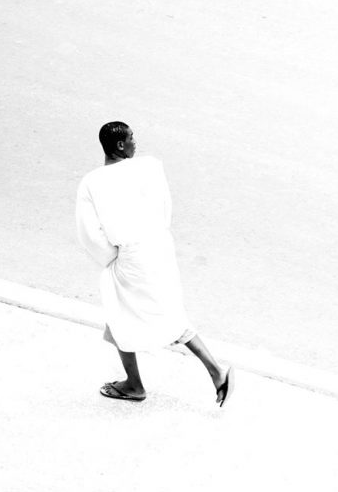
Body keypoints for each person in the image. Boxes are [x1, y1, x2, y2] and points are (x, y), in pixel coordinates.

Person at [76, 121, 233, 405]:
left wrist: (112, 257)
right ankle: (215, 371)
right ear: (121, 145)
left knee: (119, 314)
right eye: (132, 138)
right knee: (169, 312)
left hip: (131, 256)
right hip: (160, 247)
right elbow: (165, 207)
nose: (136, 142)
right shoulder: (150, 167)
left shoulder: (92, 182)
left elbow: (89, 234)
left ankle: (134, 385)